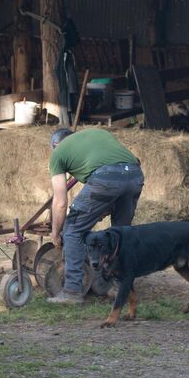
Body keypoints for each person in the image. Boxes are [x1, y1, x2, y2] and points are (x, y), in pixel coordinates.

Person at [46, 126, 144, 303]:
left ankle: (72, 291)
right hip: (135, 175)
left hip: (106, 178)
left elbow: (60, 202)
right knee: (121, 232)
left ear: (55, 145)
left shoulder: (58, 153)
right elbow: (129, 165)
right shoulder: (98, 133)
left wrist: (55, 232)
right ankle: (120, 287)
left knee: (73, 230)